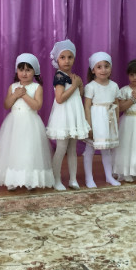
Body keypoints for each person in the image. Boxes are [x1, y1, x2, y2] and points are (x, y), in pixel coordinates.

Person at [0, 53, 53, 190]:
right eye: (21, 69)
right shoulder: (13, 87)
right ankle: (12, 179)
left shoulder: (37, 87)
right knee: (13, 150)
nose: (24, 73)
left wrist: (25, 95)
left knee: (29, 150)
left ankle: (29, 179)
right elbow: (7, 105)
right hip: (14, 123)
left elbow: (37, 106)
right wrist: (15, 95)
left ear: (35, 71)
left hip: (30, 123)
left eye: (28, 70)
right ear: (17, 71)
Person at [45, 40, 89, 190]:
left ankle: (73, 179)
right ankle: (55, 179)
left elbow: (79, 96)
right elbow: (60, 98)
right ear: (57, 59)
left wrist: (80, 86)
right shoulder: (60, 76)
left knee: (72, 149)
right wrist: (75, 86)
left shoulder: (74, 77)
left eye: (70, 57)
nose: (66, 61)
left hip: (73, 116)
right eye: (62, 57)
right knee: (61, 148)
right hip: (63, 116)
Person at [82, 51, 121, 188]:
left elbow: (116, 105)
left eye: (106, 66)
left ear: (111, 68)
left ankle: (109, 176)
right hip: (96, 121)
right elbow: (87, 107)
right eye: (99, 67)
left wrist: (116, 122)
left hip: (109, 122)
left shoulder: (114, 86)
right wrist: (89, 125)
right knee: (90, 150)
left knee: (106, 150)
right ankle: (89, 178)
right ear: (93, 70)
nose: (103, 70)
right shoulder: (91, 86)